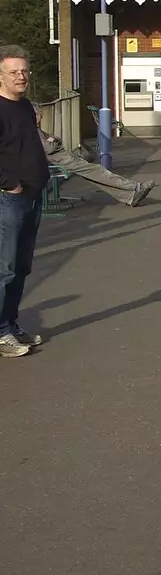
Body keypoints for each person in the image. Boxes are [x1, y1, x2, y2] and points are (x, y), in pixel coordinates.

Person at [0, 45, 49, 358]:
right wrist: (10, 185)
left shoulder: (26, 106)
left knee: (21, 267)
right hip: (10, 199)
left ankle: (10, 322)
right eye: (13, 72)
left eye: (24, 71)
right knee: (4, 267)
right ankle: (1, 333)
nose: (21, 77)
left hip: (33, 193)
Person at [36, 111, 153, 207]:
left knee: (94, 175)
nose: (41, 116)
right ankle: (135, 187)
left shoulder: (35, 128)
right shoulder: (32, 129)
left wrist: (54, 139)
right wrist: (54, 140)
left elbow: (53, 140)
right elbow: (49, 147)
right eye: (39, 114)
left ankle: (129, 197)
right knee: (97, 171)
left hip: (64, 159)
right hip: (61, 161)